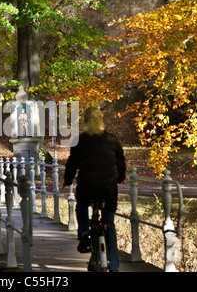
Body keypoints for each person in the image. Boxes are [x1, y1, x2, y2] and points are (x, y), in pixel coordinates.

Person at [63, 107, 126, 272]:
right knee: (109, 224)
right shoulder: (112, 140)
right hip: (108, 188)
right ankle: (114, 266)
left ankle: (84, 233)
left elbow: (72, 164)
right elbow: (121, 163)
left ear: (85, 122)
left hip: (87, 186)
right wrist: (119, 178)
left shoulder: (80, 141)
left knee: (81, 206)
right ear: (102, 120)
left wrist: (68, 180)